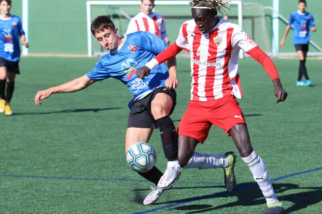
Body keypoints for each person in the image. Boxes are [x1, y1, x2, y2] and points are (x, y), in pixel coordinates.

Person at [34, 16, 236, 206]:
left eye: (107, 35)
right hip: (139, 102)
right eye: (100, 39)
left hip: (160, 89)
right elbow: (82, 82)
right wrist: (52, 89)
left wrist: (172, 74)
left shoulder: (138, 38)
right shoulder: (106, 62)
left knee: (159, 112)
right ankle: (188, 172)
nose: (105, 41)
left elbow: (168, 50)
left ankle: (172, 165)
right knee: (134, 157)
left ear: (115, 30)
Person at [137, 0, 288, 214]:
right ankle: (224, 162)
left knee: (245, 147)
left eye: (203, 20)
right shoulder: (189, 27)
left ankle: (272, 201)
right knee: (182, 159)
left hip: (224, 101)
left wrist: (277, 83)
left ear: (213, 15)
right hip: (197, 104)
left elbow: (262, 56)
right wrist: (150, 65)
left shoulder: (231, 31)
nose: (199, 24)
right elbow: (174, 48)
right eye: (196, 19)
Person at [0, 0, 29, 116]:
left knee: (10, 81)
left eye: (8, 5)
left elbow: (22, 33)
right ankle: (1, 99)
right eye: (4, 5)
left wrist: (23, 41)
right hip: (1, 54)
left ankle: (7, 103)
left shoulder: (16, 20)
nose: (6, 7)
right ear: (0, 6)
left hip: (14, 55)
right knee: (2, 76)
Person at [279, 0, 316, 86]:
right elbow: (288, 27)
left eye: (303, 5)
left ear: (305, 6)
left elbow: (312, 26)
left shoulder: (309, 16)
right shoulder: (293, 15)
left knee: (303, 61)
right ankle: (307, 79)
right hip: (297, 40)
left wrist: (313, 28)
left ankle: (299, 80)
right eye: (300, 5)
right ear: (298, 5)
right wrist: (283, 39)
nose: (302, 7)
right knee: (301, 59)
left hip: (306, 40)